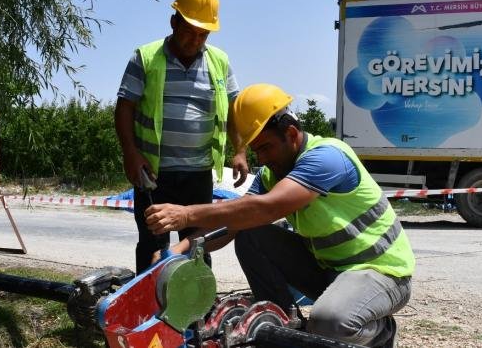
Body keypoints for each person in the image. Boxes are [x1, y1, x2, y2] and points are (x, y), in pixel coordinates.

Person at [145, 84, 414, 348]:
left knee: (329, 323)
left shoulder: (327, 157)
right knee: (249, 232)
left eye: (266, 147)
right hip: (330, 271)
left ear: (292, 134)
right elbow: (234, 221)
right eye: (256, 151)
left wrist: (186, 214)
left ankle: (383, 333)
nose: (261, 159)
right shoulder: (271, 174)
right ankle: (282, 328)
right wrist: (179, 250)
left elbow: (268, 207)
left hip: (382, 273)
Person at [114, 0, 249, 273]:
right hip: (153, 174)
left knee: (199, 245)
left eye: (203, 34)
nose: (195, 40)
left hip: (198, 174)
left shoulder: (220, 61)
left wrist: (240, 151)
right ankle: (149, 300)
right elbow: (124, 108)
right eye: (189, 31)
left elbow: (234, 110)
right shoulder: (145, 57)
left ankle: (198, 300)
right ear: (173, 22)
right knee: (153, 246)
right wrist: (130, 154)